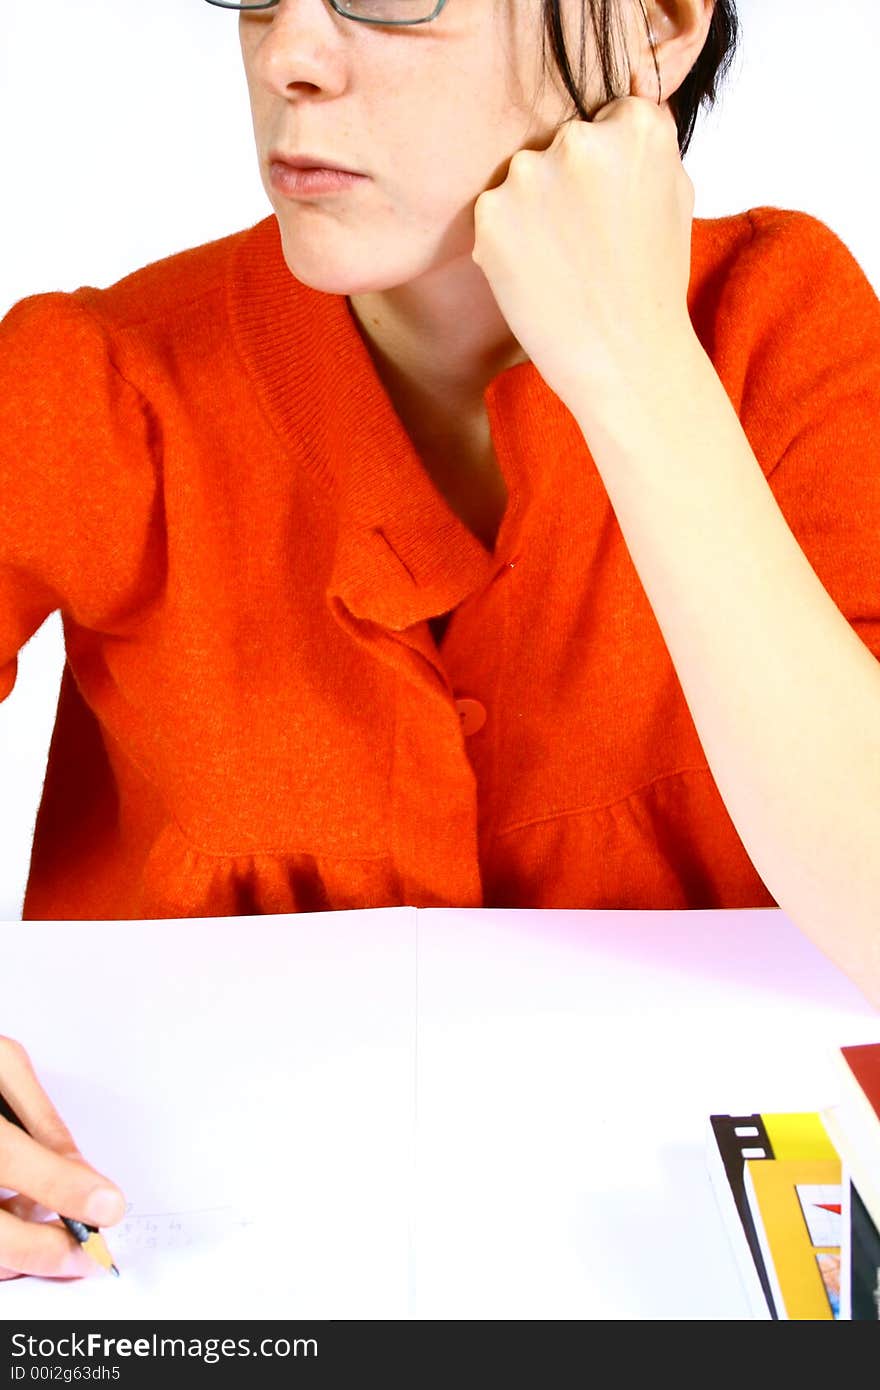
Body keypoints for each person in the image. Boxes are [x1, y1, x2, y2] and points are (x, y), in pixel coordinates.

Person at [2, 0, 879, 1282]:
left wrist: (636, 367)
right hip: (186, 1275)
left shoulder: (779, 335)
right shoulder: (99, 380)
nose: (284, 56)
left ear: (658, 22)